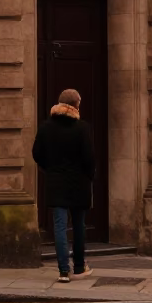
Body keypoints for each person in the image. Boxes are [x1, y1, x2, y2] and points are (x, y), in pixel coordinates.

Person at [32, 88, 95, 283]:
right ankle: (78, 267)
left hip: (56, 181)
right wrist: (89, 176)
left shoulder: (45, 127)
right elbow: (89, 158)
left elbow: (37, 154)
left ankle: (62, 271)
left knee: (59, 226)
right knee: (78, 226)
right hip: (79, 183)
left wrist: (49, 169)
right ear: (76, 105)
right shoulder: (82, 128)